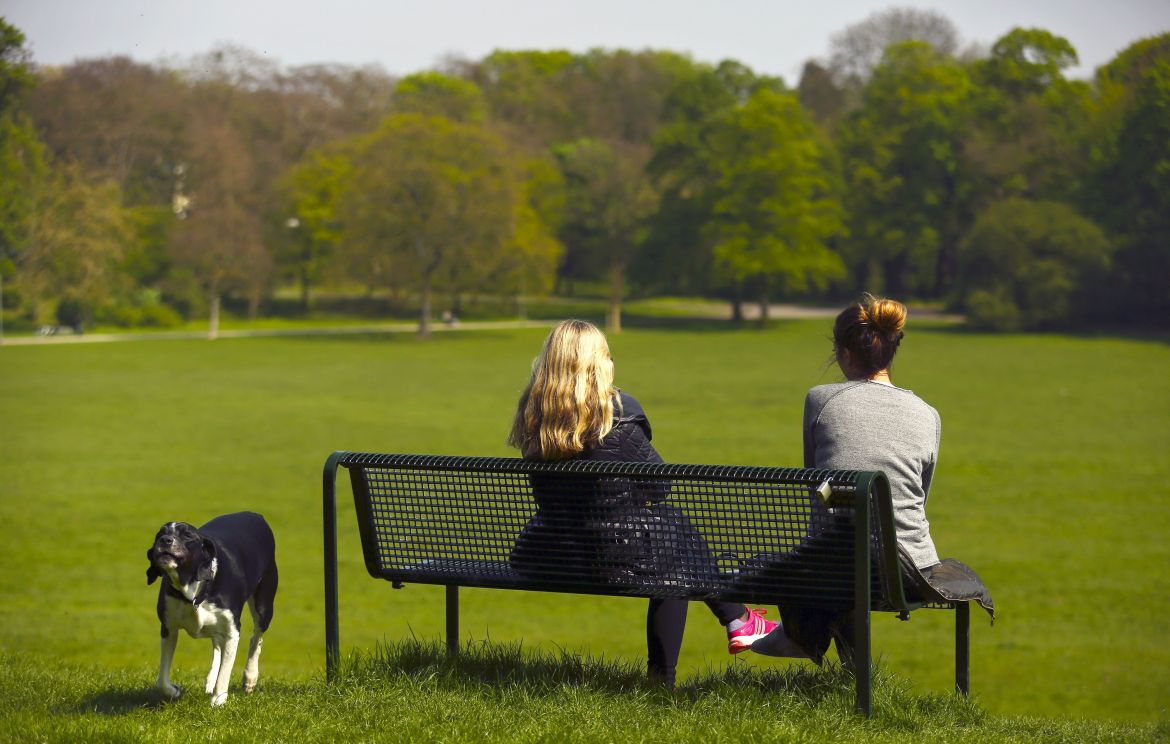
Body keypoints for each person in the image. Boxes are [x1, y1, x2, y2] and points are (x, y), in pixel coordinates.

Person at [507, 319, 779, 686]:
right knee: (672, 541)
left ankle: (738, 619)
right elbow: (660, 485)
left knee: (670, 532)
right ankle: (675, 669)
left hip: (549, 553)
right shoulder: (615, 417)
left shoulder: (535, 418)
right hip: (609, 556)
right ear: (598, 362)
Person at [753, 295, 993, 661]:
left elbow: (814, 485)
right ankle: (846, 668)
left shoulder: (820, 400)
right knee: (850, 546)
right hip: (908, 572)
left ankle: (800, 637)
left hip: (837, 567)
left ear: (845, 352)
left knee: (836, 543)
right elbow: (918, 497)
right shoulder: (928, 414)